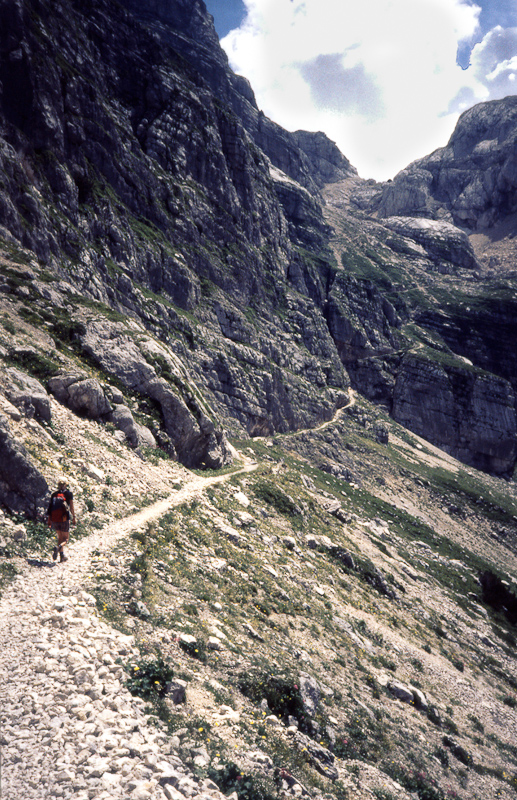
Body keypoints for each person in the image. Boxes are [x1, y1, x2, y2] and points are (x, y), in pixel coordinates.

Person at [47, 478, 76, 563]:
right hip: (64, 518)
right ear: (66, 485)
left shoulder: (54, 495)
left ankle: (62, 556)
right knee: (65, 539)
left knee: (60, 537)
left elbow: (50, 508)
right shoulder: (68, 494)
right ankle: (58, 547)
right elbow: (71, 506)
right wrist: (74, 517)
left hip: (55, 519)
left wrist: (49, 521)